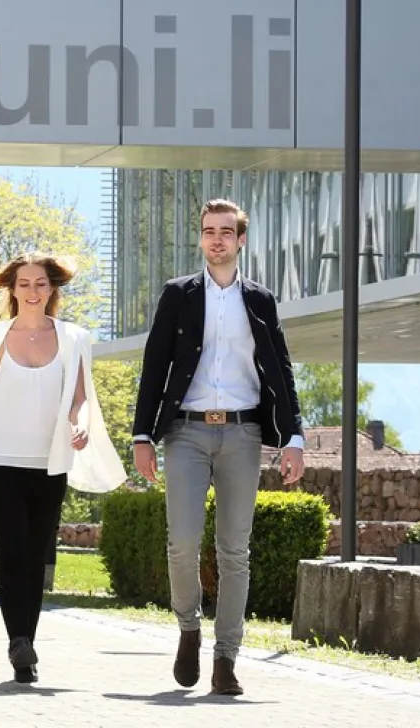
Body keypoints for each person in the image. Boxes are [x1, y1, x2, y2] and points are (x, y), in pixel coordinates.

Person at [131, 198, 305, 696]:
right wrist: (143, 435)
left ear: (241, 239)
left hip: (244, 433)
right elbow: (155, 366)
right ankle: (189, 627)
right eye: (209, 231)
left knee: (235, 550)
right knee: (182, 542)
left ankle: (226, 658)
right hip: (185, 431)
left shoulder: (260, 300)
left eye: (226, 231)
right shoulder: (178, 295)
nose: (217, 239)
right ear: (201, 238)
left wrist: (293, 437)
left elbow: (282, 370)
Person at [0, 253, 126, 683]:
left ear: (52, 290)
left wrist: (79, 425)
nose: (33, 291)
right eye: (25, 283)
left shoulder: (74, 338)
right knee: (12, 552)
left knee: (35, 556)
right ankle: (19, 643)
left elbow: (82, 397)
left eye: (41, 284)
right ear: (12, 289)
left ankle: (26, 642)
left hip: (48, 462)